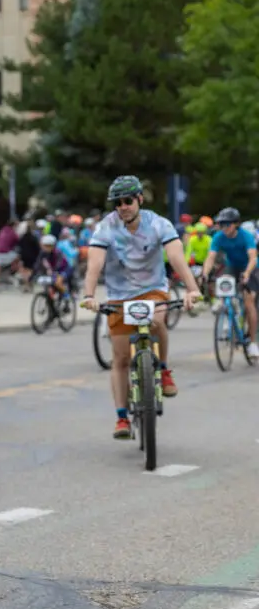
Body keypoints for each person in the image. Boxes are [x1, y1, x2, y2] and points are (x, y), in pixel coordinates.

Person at [81, 175, 201, 439]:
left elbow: (176, 256)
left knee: (158, 320)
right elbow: (95, 263)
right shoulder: (106, 228)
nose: (123, 207)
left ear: (139, 200)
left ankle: (164, 370)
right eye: (118, 203)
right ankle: (122, 417)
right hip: (119, 295)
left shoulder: (158, 223)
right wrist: (89, 294)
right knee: (121, 358)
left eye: (127, 201)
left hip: (153, 289)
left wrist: (192, 289)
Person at [202, 207, 259, 359]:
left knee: (249, 302)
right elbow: (211, 257)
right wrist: (205, 274)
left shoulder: (245, 236)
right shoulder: (219, 236)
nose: (224, 228)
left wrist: (247, 274)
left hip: (250, 267)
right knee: (222, 284)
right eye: (221, 225)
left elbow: (253, 257)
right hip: (232, 266)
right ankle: (226, 309)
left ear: (236, 224)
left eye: (227, 224)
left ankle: (253, 342)